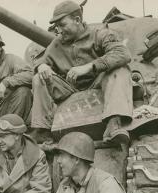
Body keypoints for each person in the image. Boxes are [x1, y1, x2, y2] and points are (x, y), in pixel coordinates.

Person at [31, 0, 133, 145]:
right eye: (57, 26)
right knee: (38, 78)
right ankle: (42, 130)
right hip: (69, 88)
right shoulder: (57, 43)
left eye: (62, 25)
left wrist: (89, 66)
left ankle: (114, 123)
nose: (59, 30)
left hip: (99, 83)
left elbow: (123, 53)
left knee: (120, 70)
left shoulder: (99, 34)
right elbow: (39, 62)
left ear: (77, 20)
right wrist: (41, 67)